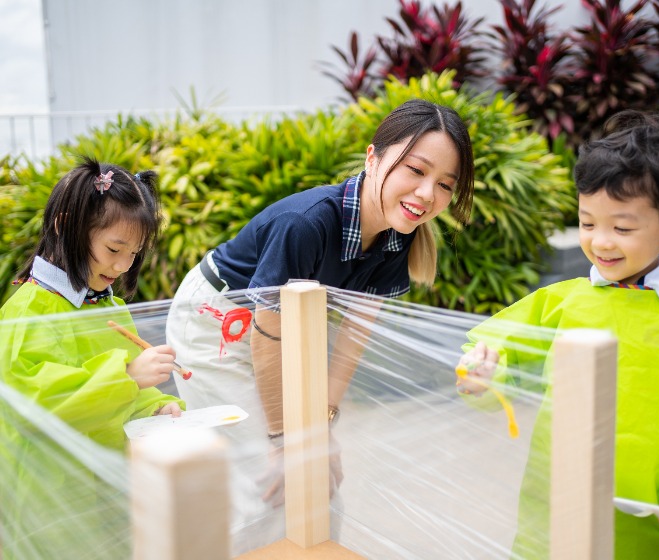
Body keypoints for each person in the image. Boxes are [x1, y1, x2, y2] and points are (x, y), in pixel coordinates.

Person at [166, 98, 475, 552]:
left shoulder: (397, 237)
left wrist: (320, 428)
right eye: (415, 170)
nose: (428, 194)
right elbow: (266, 337)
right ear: (374, 158)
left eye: (445, 184)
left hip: (284, 333)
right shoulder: (306, 224)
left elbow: (354, 337)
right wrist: (282, 440)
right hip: (215, 324)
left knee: (316, 484)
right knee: (267, 483)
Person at [456, 110, 659, 559]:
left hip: (648, 534)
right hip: (552, 517)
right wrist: (479, 375)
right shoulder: (558, 302)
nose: (600, 242)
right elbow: (488, 353)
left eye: (622, 227)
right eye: (587, 223)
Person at [0, 157, 185, 559]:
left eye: (133, 253)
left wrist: (157, 405)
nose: (122, 266)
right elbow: (34, 403)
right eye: (114, 248)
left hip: (106, 483)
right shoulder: (27, 310)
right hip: (48, 491)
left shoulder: (110, 307)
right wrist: (127, 377)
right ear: (65, 225)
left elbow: (129, 394)